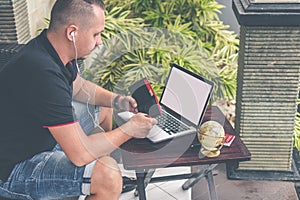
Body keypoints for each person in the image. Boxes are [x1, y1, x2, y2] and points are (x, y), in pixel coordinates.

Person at [0, 0, 157, 199]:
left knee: (103, 107)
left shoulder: (51, 49)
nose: (100, 41)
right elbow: (80, 154)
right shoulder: (42, 73)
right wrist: (129, 129)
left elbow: (78, 86)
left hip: (38, 138)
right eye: (96, 34)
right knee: (108, 176)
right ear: (72, 33)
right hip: (13, 169)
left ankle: (88, 180)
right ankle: (101, 183)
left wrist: (117, 100)